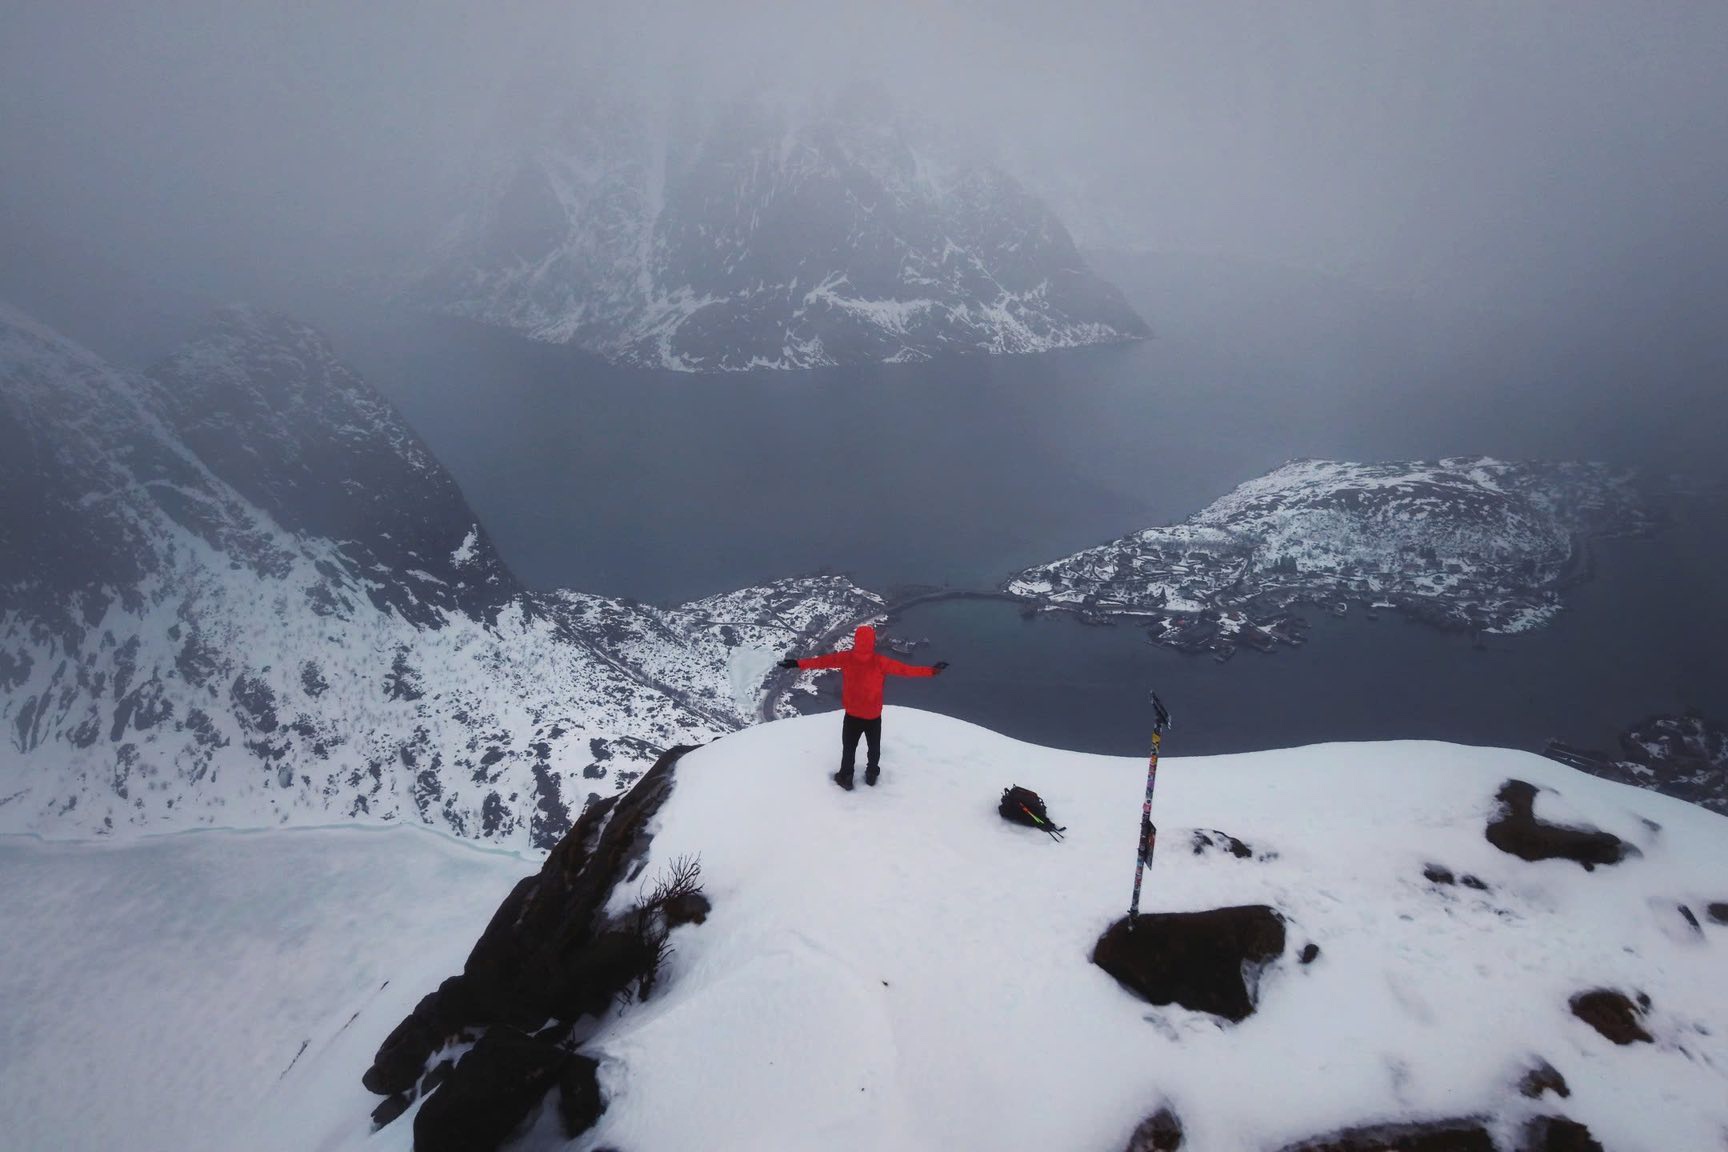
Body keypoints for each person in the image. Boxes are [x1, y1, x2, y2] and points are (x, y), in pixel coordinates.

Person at [779, 625, 948, 790]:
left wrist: (796, 663)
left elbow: (820, 662)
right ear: (873, 641)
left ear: (856, 641)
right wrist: (931, 671)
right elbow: (907, 670)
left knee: (849, 748)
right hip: (873, 716)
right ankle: (872, 775)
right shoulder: (881, 662)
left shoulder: (846, 658)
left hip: (852, 714)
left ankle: (846, 777)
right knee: (874, 747)